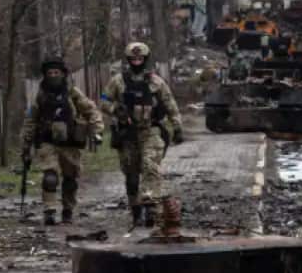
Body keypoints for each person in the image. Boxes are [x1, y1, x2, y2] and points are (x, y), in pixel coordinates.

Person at [100, 42, 186, 233]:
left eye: (140, 59)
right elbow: (104, 101)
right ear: (128, 60)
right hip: (127, 134)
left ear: (145, 59)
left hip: (151, 131)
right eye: (133, 59)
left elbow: (170, 103)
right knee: (131, 175)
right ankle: (136, 210)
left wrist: (178, 127)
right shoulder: (117, 81)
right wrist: (116, 110)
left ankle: (150, 207)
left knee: (150, 167)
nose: (136, 62)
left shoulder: (156, 82)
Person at [20, 57, 104, 225]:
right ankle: (49, 210)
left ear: (63, 74)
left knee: (70, 178)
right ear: (45, 75)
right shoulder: (40, 96)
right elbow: (30, 121)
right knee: (50, 177)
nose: (53, 76)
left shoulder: (72, 92)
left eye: (56, 72)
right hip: (47, 141)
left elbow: (91, 110)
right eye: (50, 73)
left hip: (70, 142)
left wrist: (97, 130)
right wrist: (25, 146)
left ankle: (68, 209)